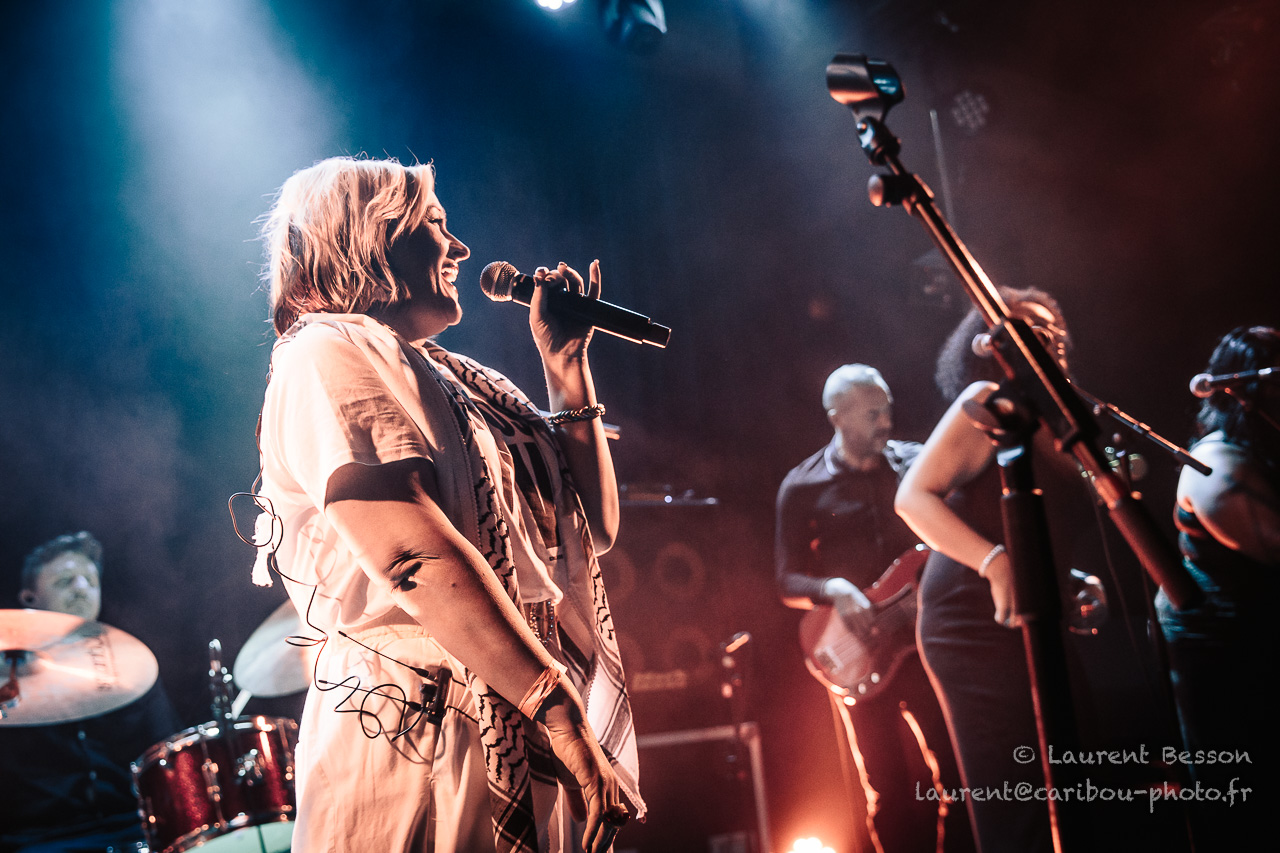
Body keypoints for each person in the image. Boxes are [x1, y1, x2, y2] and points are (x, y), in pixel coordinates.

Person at [252, 156, 641, 853]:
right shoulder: (324, 353)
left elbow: (592, 531)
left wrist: (566, 367)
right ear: (367, 239)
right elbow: (411, 558)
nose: (460, 248)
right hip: (419, 729)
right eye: (434, 224)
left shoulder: (460, 382)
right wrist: (555, 708)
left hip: (514, 704)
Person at [894, 289, 1080, 853]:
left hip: (1033, 607)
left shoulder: (1058, 417)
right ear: (992, 345)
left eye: (1052, 330)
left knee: (1068, 777)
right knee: (1017, 798)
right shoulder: (986, 401)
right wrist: (994, 562)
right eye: (1031, 330)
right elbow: (912, 497)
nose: (1049, 339)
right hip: (970, 616)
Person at [775, 364, 972, 853]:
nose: (886, 422)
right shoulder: (802, 487)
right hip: (862, 652)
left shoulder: (916, 463)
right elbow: (786, 581)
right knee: (887, 791)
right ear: (837, 417)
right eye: (872, 414)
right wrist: (834, 588)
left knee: (959, 775)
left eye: (887, 410)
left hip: (923, 645)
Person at [1155, 326, 1279, 851]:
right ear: (1244, 390)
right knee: (1240, 798)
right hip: (1222, 650)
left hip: (1258, 636)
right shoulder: (1216, 463)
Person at [0, 532, 180, 853]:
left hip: (133, 829)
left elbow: (168, 753)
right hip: (38, 840)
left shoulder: (133, 666)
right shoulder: (6, 673)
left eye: (90, 580)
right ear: (30, 598)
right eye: (65, 581)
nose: (81, 587)